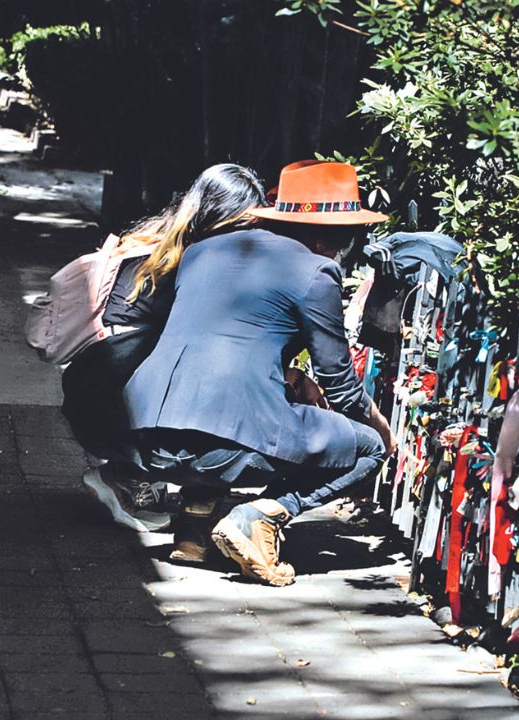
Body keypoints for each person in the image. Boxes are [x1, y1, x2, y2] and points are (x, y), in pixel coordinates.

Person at [124, 160, 398, 586]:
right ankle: (258, 518)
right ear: (343, 235)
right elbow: (342, 389)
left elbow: (215, 344)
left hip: (147, 437)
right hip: (223, 444)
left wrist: (288, 377)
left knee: (236, 415)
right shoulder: (316, 272)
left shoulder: (202, 251)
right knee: (366, 448)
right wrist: (382, 427)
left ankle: (194, 532)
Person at [61, 163, 266, 532]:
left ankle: (134, 476)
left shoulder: (160, 239)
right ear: (221, 217)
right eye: (244, 224)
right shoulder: (192, 261)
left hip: (97, 381)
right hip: (115, 394)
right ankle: (125, 477)